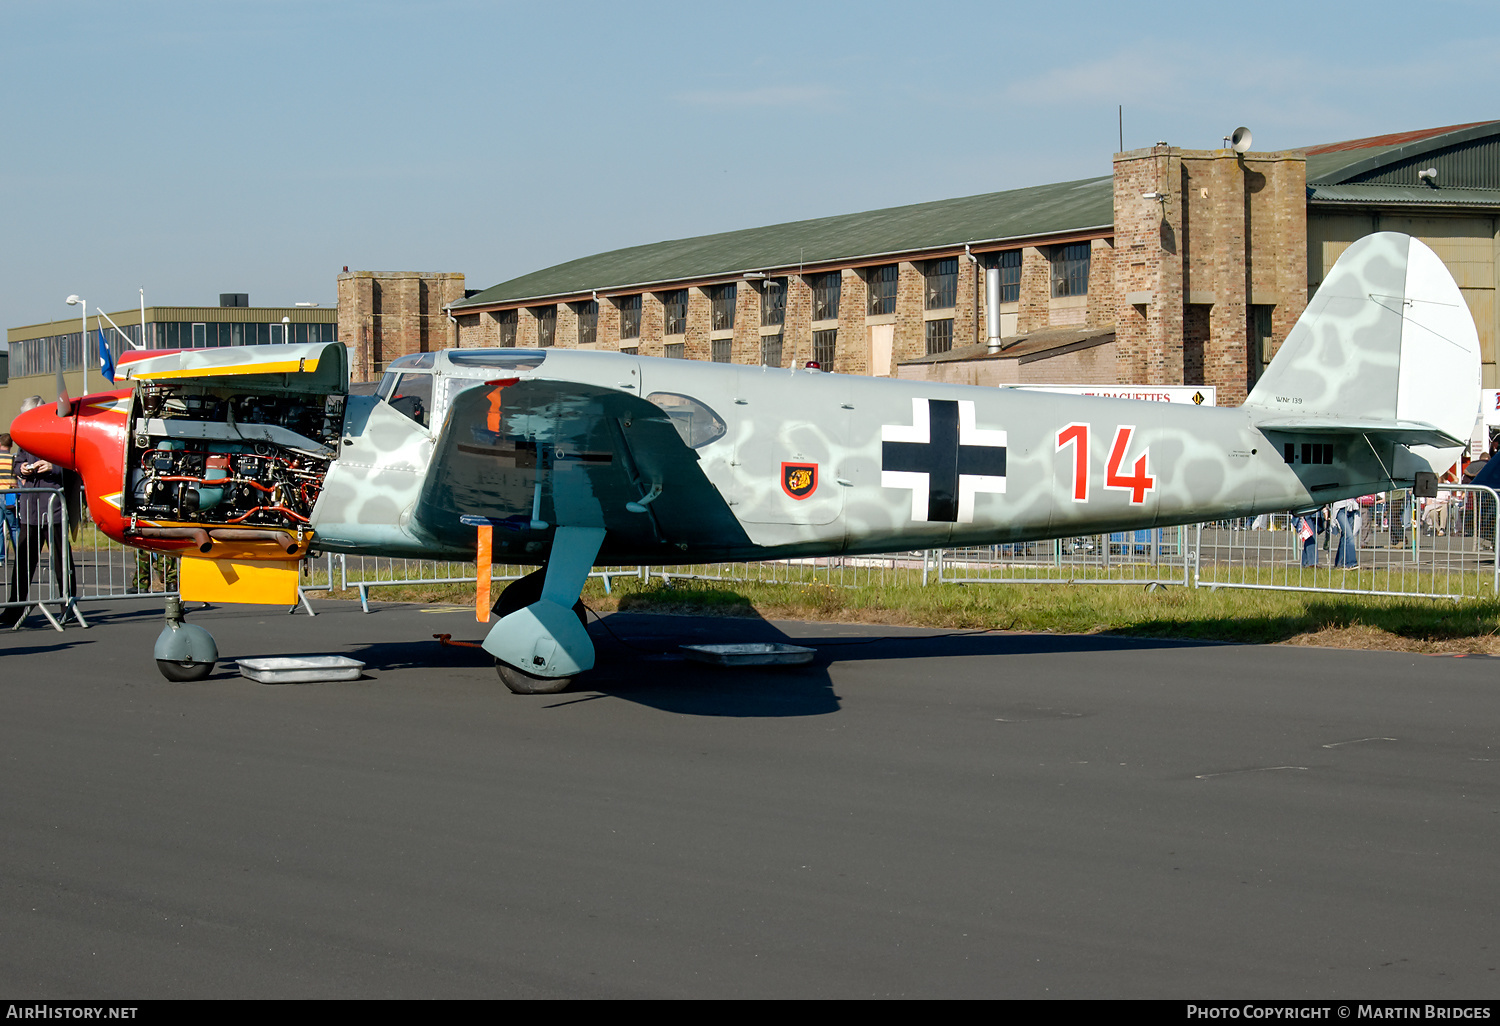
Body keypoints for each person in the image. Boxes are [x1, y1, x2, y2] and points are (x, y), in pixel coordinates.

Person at [2, 398, 76, 628]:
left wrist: (53, 467)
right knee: (23, 561)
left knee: (62, 561)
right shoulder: (25, 439)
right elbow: (17, 462)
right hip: (30, 510)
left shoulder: (58, 433)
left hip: (53, 509)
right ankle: (15, 607)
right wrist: (20, 468)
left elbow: (73, 461)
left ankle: (68, 606)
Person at [0, 432, 18, 561]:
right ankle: (20, 555)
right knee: (14, 526)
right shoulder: (14, 459)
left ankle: (1, 557)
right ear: (11, 445)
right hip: (10, 496)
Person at [1331, 497, 1360, 567]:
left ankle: (1339, 563)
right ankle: (1351, 563)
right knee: (1349, 535)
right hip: (1340, 508)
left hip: (1351, 507)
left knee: (1345, 536)